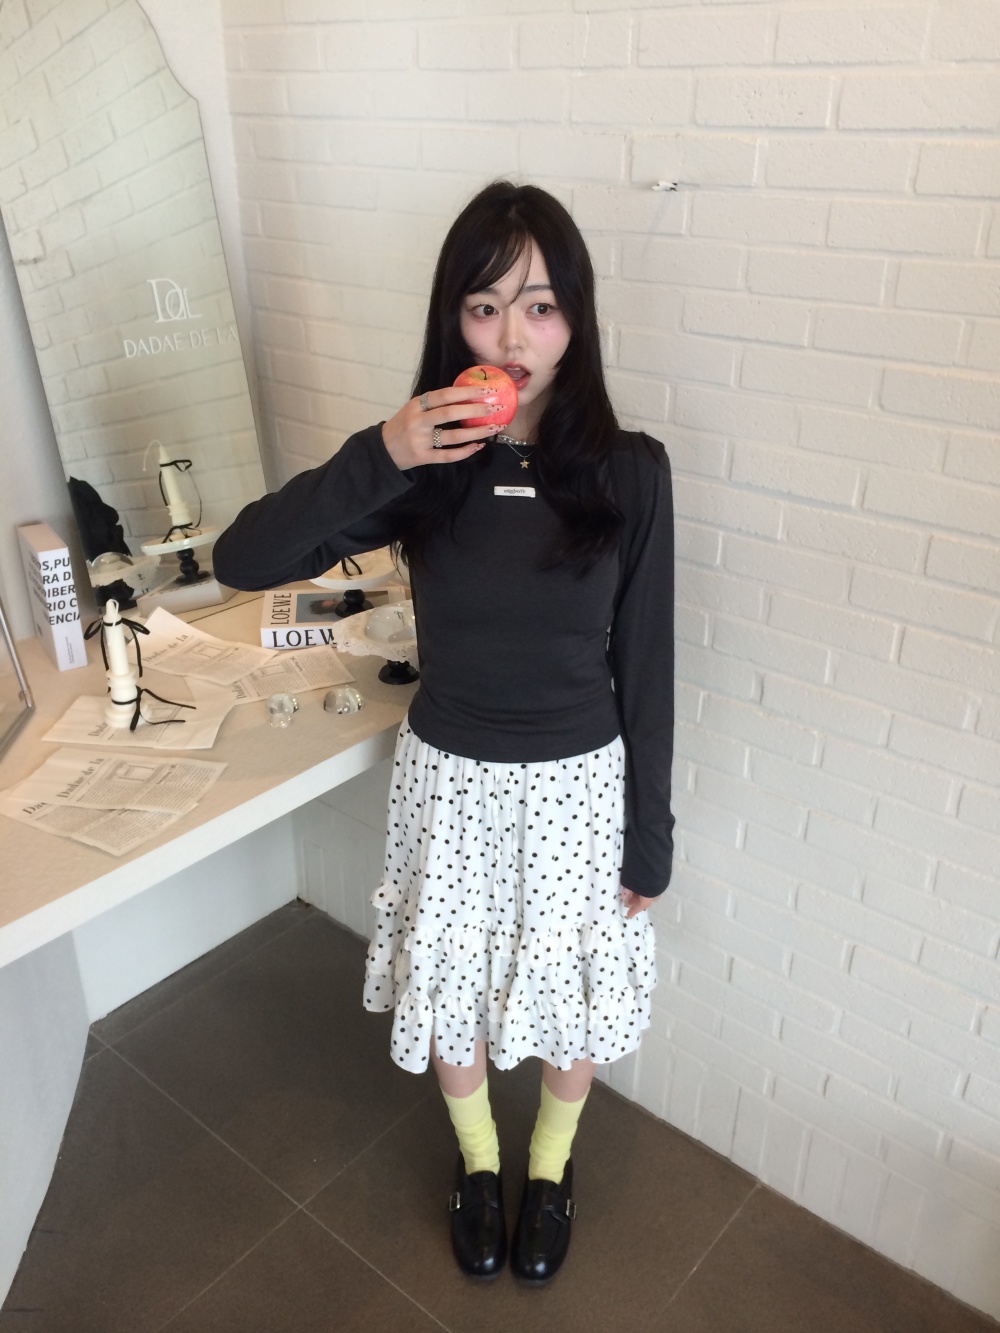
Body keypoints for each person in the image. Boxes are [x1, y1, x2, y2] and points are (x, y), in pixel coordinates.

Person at [212, 180, 675, 1285]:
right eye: (484, 307)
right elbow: (242, 560)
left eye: (541, 306)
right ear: (451, 322)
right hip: (451, 780)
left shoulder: (631, 469)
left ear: (577, 321)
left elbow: (651, 661)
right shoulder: (421, 467)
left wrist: (648, 837)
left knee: (570, 997)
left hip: (579, 786)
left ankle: (549, 1169)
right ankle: (479, 1162)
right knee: (450, 985)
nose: (513, 338)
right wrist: (385, 447)